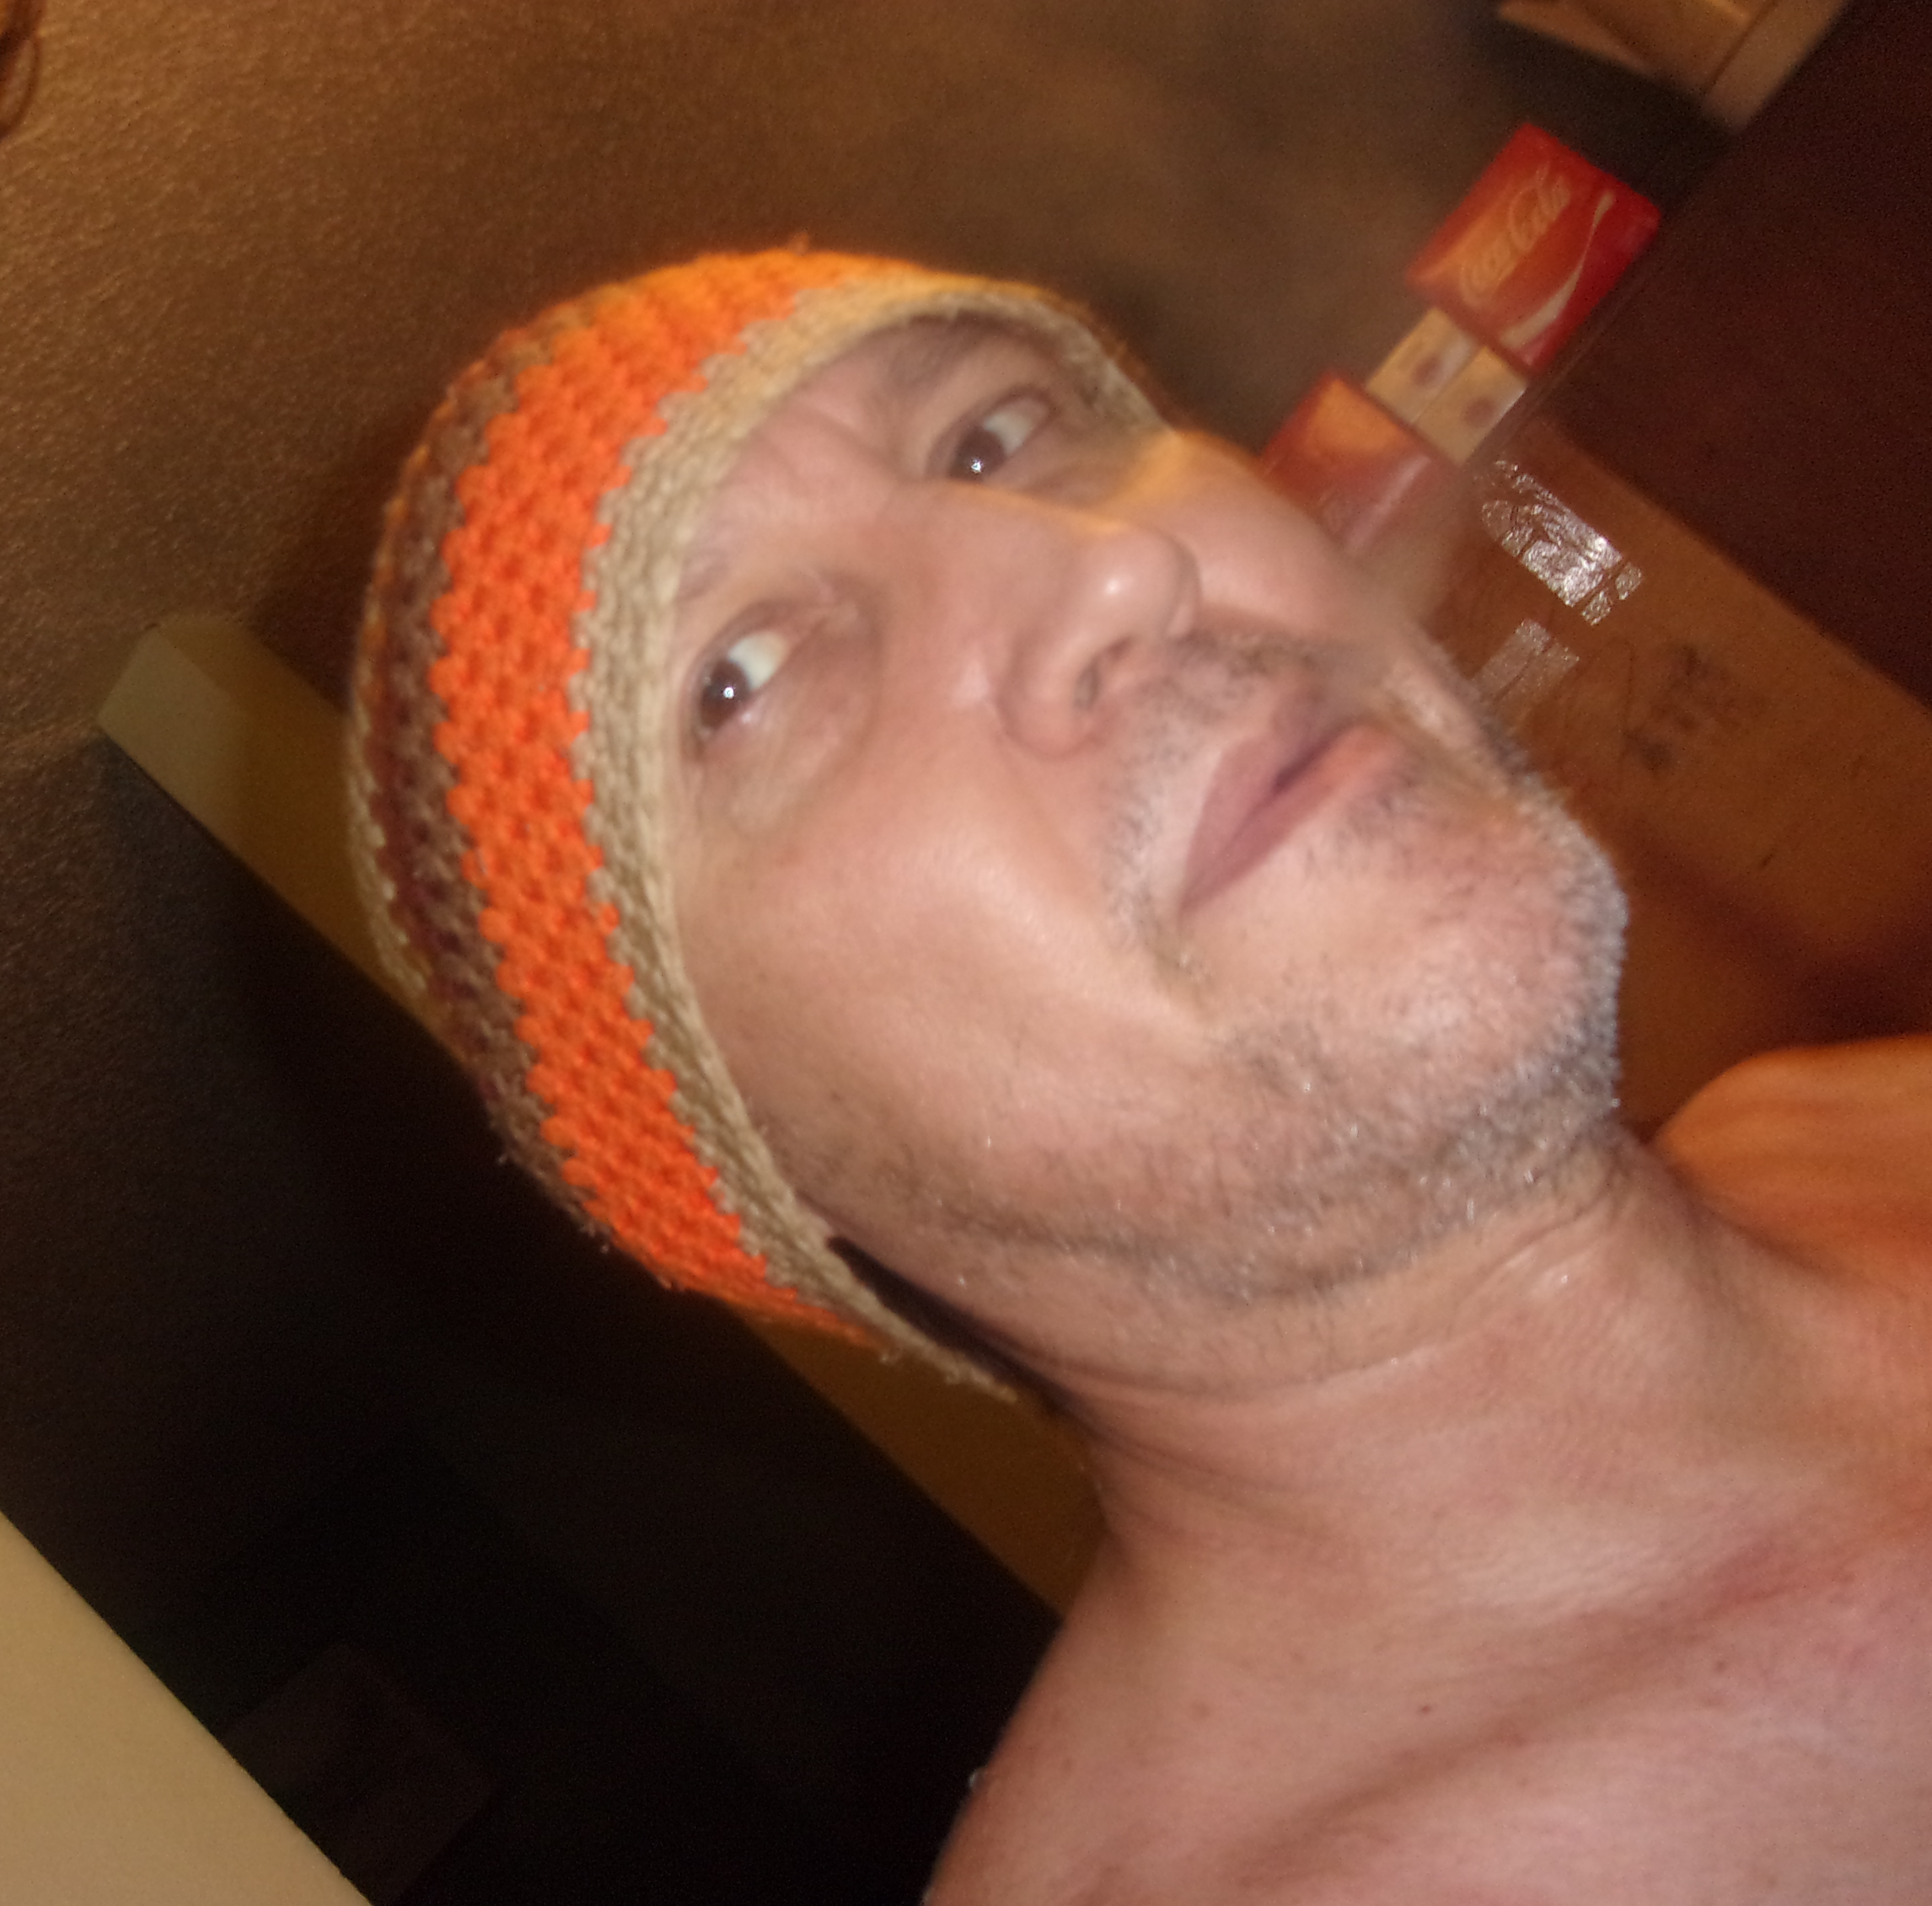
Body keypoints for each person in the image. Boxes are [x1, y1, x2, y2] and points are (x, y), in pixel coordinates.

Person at [345, 249, 1932, 1901]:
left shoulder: (1850, 1120)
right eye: (738, 679)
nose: (1112, 572)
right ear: (739, 1164)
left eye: (995, 435)